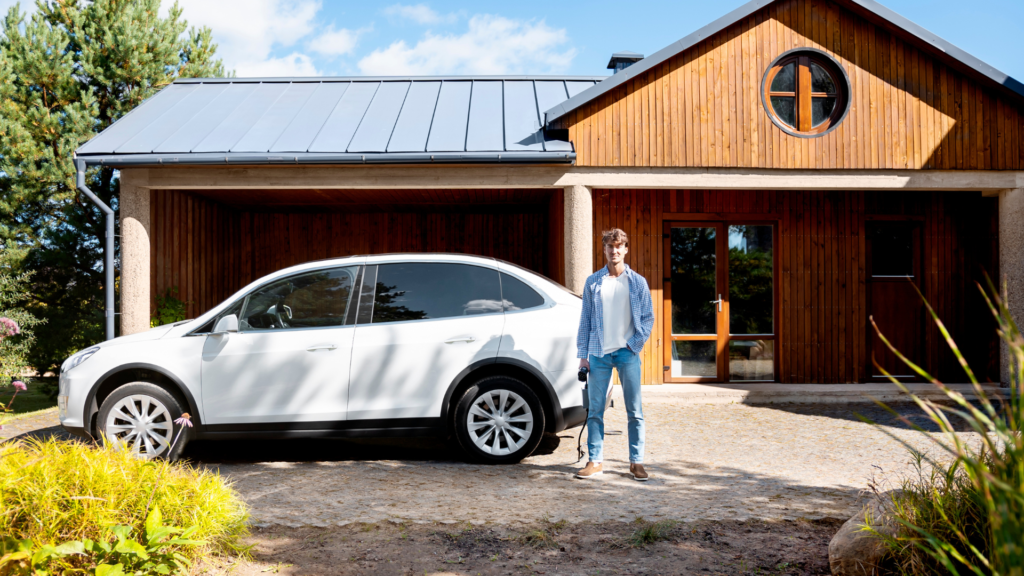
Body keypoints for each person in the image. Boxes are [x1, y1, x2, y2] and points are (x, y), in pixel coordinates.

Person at [574, 228, 654, 481]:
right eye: (610, 246)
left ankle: (636, 462)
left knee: (635, 411)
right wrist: (583, 355)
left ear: (626, 249)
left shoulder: (637, 282)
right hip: (598, 353)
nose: (614, 250)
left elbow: (648, 318)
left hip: (627, 353)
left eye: (619, 246)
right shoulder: (593, 282)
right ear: (605, 249)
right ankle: (595, 461)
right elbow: (585, 320)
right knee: (596, 410)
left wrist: (634, 344)